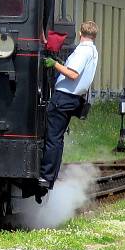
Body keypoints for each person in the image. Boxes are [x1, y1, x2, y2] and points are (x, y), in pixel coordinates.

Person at [38, 20, 99, 196]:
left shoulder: (83, 50)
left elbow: (73, 74)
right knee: (57, 140)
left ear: (80, 33)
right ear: (94, 36)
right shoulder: (93, 50)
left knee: (52, 138)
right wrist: (60, 62)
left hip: (64, 98)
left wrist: (54, 64)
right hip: (73, 99)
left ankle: (46, 176)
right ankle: (50, 176)